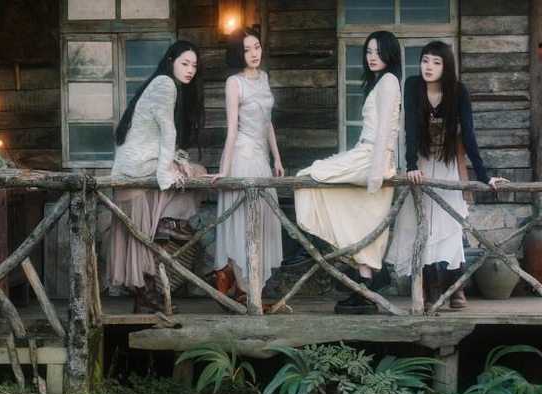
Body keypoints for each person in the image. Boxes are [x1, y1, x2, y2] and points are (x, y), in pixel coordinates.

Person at [386, 41, 509, 309]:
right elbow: (409, 128)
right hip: (420, 163)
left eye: (436, 62)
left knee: (449, 223)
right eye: (425, 60)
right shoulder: (413, 86)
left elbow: (469, 134)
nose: (428, 67)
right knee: (421, 223)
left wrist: (484, 175)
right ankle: (431, 286)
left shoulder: (458, 91)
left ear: (446, 65)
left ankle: (456, 286)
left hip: (448, 164)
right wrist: (411, 166)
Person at [294, 31, 402, 315]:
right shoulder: (380, 82)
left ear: (391, 54)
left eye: (378, 52)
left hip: (372, 157)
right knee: (363, 222)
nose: (372, 57)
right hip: (367, 154)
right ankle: (364, 289)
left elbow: (384, 131)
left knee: (307, 175)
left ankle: (311, 238)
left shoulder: (389, 81)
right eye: (368, 52)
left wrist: (376, 170)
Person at [108, 40, 206, 313]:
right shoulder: (164, 83)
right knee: (198, 174)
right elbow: (167, 131)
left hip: (135, 166)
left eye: (194, 65)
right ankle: (170, 222)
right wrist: (166, 173)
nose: (190, 70)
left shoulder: (159, 84)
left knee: (142, 238)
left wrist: (174, 164)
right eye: (184, 63)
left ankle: (146, 300)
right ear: (170, 61)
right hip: (141, 168)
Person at [207, 27, 284, 309]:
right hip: (242, 157)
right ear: (238, 53)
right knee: (242, 223)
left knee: (261, 223)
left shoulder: (264, 78)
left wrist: (277, 158)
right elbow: (232, 130)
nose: (254, 53)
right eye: (247, 49)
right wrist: (225, 170)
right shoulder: (234, 83)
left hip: (262, 160)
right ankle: (247, 292)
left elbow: (267, 122)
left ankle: (245, 287)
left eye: (257, 47)